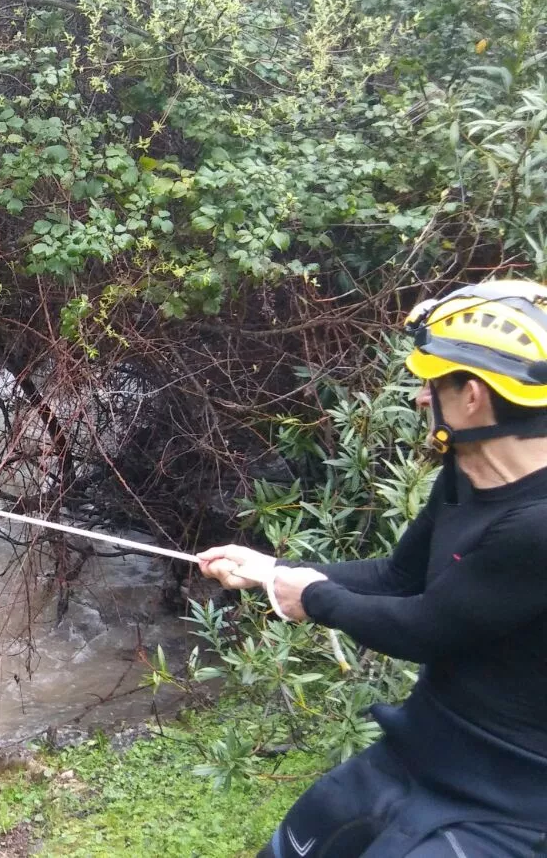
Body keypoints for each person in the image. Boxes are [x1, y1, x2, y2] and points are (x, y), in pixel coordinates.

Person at [198, 279, 547, 858]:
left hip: (509, 800)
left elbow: (425, 629)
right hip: (422, 749)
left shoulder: (537, 526)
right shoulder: (469, 471)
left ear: (473, 396)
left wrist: (311, 597)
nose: (418, 399)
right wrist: (271, 569)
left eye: (430, 382)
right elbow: (397, 578)